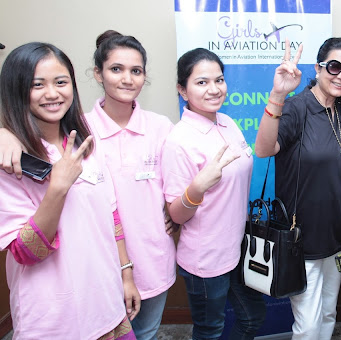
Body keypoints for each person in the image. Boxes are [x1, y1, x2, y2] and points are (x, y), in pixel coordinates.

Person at [0, 30, 177, 340]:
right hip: (53, 316)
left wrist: (125, 273)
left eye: (60, 82)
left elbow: (112, 215)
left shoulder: (83, 143)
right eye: (36, 85)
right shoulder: (13, 160)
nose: (52, 93)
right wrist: (58, 187)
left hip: (105, 300)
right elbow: (26, 251)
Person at [254, 37, 341, 340]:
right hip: (300, 242)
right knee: (307, 325)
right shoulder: (296, 108)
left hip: (338, 243)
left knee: (328, 313)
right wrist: (278, 94)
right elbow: (264, 148)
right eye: (334, 66)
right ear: (318, 68)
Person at [161, 48, 266, 340]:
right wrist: (198, 187)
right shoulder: (179, 141)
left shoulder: (228, 123)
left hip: (237, 246)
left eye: (219, 80)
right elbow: (176, 214)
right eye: (202, 82)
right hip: (205, 258)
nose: (214, 89)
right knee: (210, 330)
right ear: (182, 90)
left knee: (252, 316)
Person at [85, 30, 176, 340]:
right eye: (116, 69)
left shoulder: (161, 127)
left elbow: (178, 182)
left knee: (146, 333)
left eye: (136, 71)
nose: (127, 79)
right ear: (98, 73)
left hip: (152, 257)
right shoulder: (79, 128)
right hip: (98, 263)